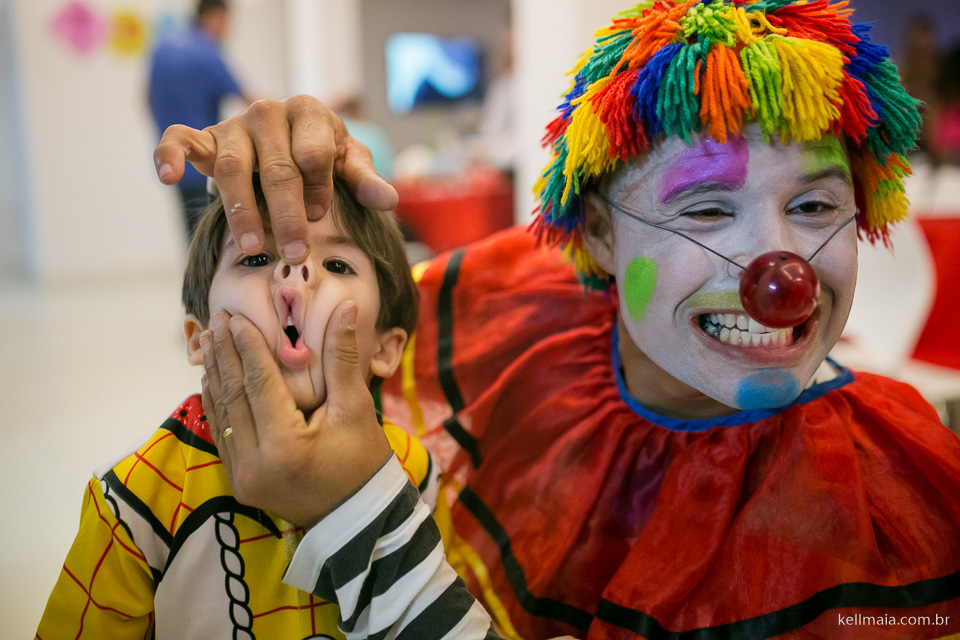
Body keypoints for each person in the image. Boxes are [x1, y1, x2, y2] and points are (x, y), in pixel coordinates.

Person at [153, 1, 960, 638]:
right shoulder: (510, 304)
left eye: (816, 204)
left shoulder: (896, 505)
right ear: (603, 236)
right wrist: (288, 227)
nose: (778, 277)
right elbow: (321, 347)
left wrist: (361, 522)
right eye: (708, 209)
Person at [33, 176, 502, 638]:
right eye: (256, 257)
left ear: (384, 347)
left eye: (337, 265)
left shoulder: (410, 470)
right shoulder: (134, 497)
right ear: (200, 339)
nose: (294, 272)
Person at [148, 0, 253, 239]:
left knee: (192, 232)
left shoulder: (162, 48)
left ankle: (196, 275)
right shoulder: (208, 53)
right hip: (205, 158)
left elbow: (147, 98)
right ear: (214, 16)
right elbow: (253, 104)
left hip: (171, 157)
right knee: (211, 236)